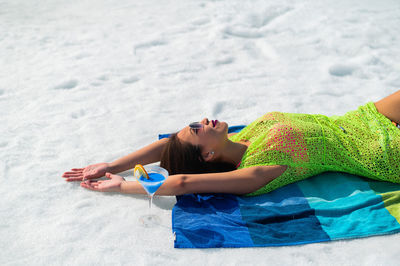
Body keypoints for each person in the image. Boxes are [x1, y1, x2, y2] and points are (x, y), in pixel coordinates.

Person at [62, 90, 400, 196]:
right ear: (208, 155)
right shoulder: (255, 171)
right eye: (196, 129)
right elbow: (180, 182)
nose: (201, 121)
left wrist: (112, 164)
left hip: (360, 121)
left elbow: (166, 147)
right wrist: (123, 186)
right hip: (380, 152)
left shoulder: (240, 137)